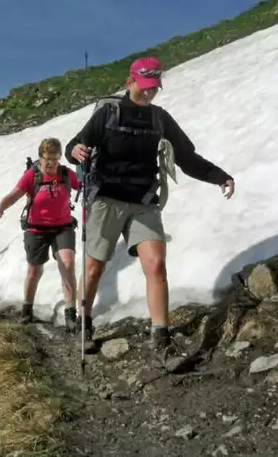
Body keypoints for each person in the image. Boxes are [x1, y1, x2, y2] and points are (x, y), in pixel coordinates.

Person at [66, 56, 235, 369]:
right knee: (93, 269)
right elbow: (76, 145)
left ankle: (162, 341)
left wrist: (219, 176)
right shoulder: (108, 112)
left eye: (154, 88)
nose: (149, 93)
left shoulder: (160, 119)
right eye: (144, 87)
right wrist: (75, 150)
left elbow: (186, 157)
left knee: (156, 264)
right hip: (106, 198)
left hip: (143, 201)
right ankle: (85, 322)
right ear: (130, 82)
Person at [0, 138, 80, 328]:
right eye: (48, 159)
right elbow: (15, 194)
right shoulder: (32, 175)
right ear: (40, 157)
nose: (51, 164)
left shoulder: (66, 174)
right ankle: (27, 309)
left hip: (62, 227)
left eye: (55, 159)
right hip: (36, 229)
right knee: (34, 271)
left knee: (68, 263)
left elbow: (82, 186)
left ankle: (71, 313)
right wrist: (1, 207)